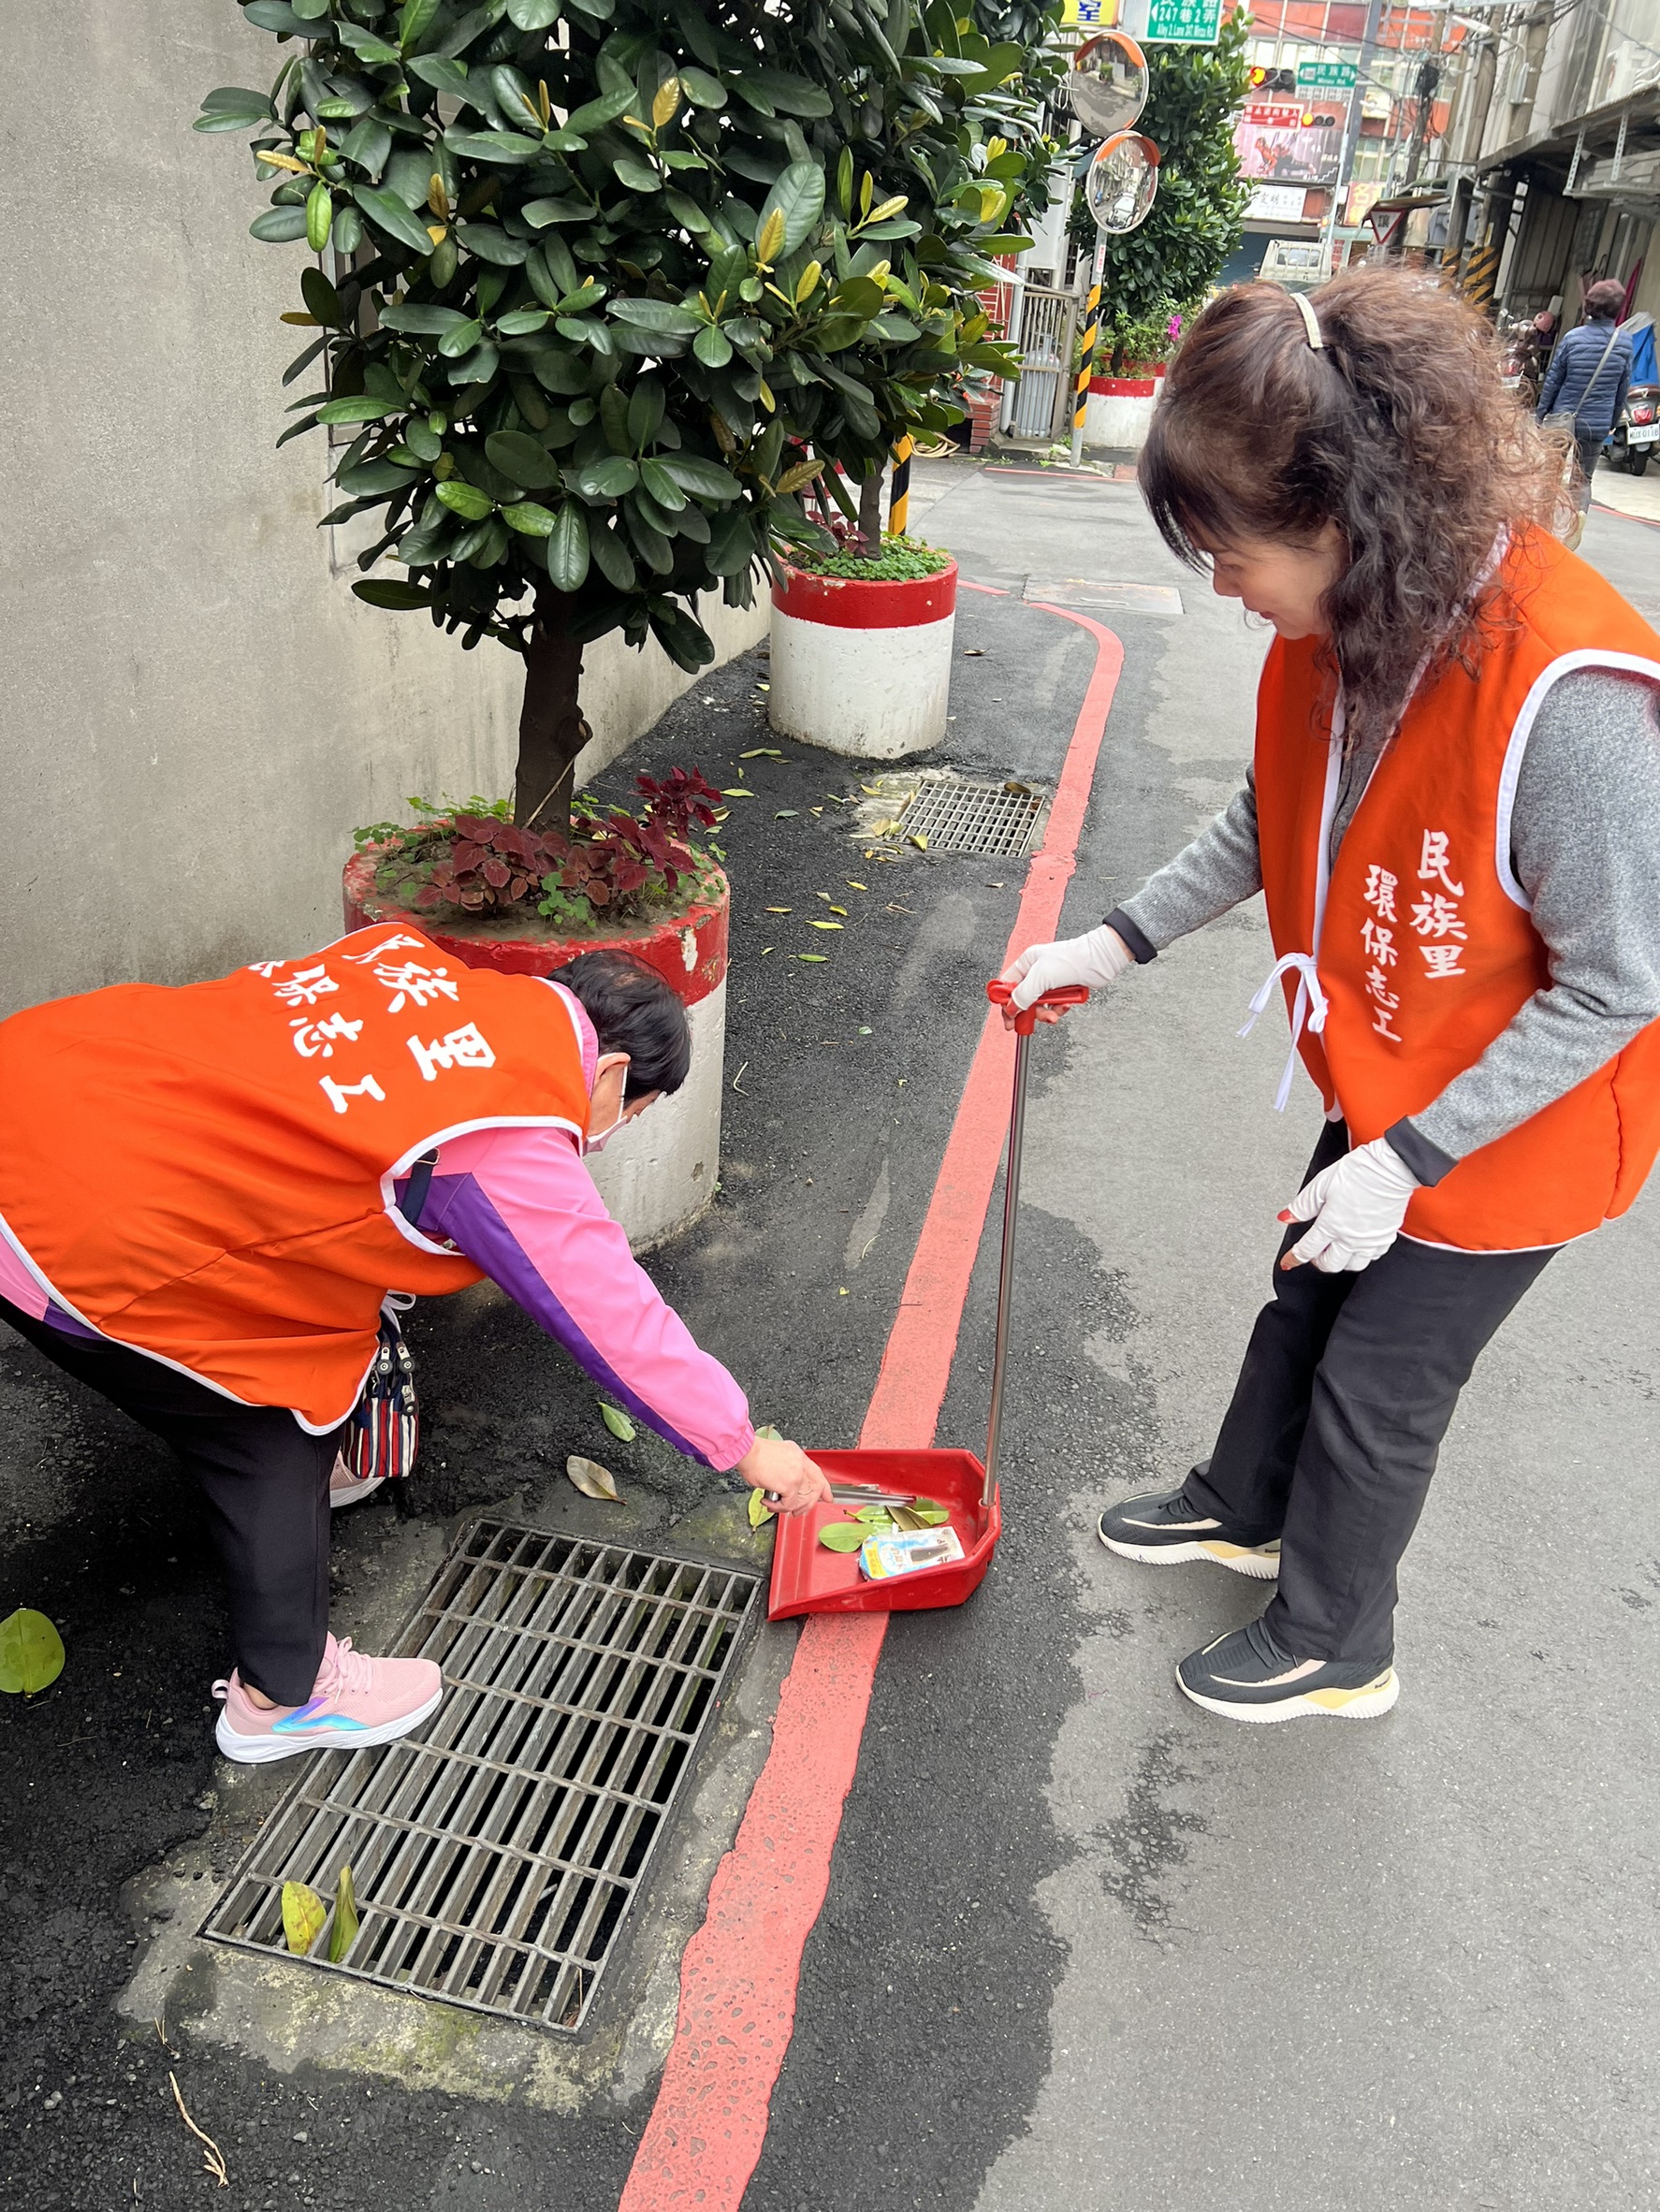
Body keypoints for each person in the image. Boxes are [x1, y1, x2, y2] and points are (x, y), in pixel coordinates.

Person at [1004, 269, 1660, 1724]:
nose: (1223, 592)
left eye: (1230, 554)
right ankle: (1240, 1506)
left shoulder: (1569, 691)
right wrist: (1109, 941)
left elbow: (1620, 985)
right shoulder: (1351, 623)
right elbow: (1271, 814)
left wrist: (1414, 1162)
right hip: (1395, 1077)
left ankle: (1333, 1641)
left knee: (1378, 1386)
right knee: (1303, 1294)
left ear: (1346, 513)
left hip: (1515, 1126)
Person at [0, 933, 829, 1762]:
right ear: (612, 1076)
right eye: (631, 1114)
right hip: (70, 1222)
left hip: (46, 1076)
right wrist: (745, 1446)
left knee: (313, 1329)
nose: (606, 1137)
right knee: (263, 1420)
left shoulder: (421, 971)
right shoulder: (507, 1135)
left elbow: (328, 1158)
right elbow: (615, 1319)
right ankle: (282, 1697)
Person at [1536, 278, 1634, 538]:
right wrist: (1612, 421)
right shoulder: (1623, 344)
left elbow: (1554, 380)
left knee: (1550, 473)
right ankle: (1576, 521)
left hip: (1562, 419)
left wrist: (1540, 414)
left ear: (1588, 306)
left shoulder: (1572, 338)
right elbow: (1622, 390)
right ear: (1618, 309)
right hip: (1596, 423)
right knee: (1583, 478)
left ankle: (1542, 526)